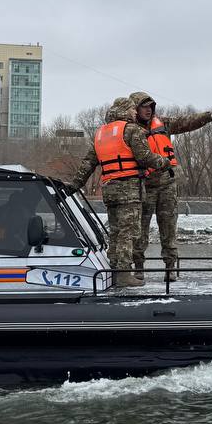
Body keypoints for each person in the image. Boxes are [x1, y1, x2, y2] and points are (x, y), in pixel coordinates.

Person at [68, 96, 170, 287]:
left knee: (115, 232)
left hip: (110, 190)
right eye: (132, 110)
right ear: (126, 111)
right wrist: (164, 162)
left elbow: (88, 163)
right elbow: (144, 157)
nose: (135, 113)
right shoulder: (132, 130)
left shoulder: (101, 133)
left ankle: (113, 270)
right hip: (129, 190)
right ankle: (123, 273)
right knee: (128, 232)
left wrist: (75, 184)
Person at [127, 91, 212, 282]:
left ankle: (170, 268)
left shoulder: (163, 124)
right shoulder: (129, 130)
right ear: (135, 109)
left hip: (167, 184)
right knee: (139, 230)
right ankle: (138, 268)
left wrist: (211, 116)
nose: (148, 110)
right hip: (143, 185)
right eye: (144, 107)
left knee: (169, 228)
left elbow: (187, 122)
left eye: (150, 106)